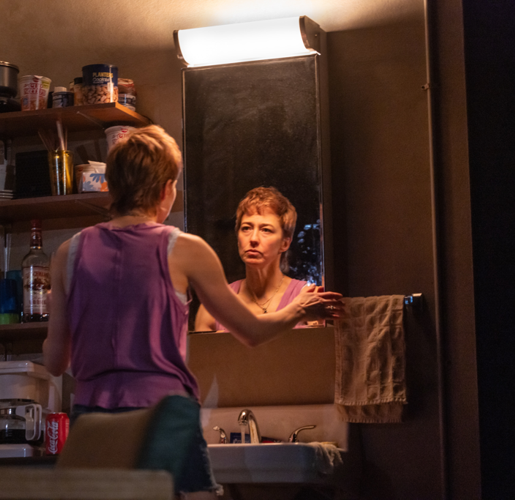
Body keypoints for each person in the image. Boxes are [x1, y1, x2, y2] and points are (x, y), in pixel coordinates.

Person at [43, 125, 344, 499]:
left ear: (112, 185)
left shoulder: (68, 253)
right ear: (166, 189)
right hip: (164, 413)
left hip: (92, 415)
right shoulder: (185, 249)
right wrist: (299, 310)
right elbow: (252, 332)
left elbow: (54, 362)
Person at [194, 186, 310, 332]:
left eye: (266, 230)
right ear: (238, 238)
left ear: (284, 243)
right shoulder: (213, 307)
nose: (253, 238)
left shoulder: (306, 300)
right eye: (246, 228)